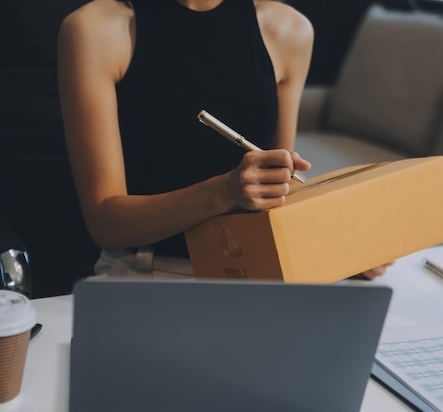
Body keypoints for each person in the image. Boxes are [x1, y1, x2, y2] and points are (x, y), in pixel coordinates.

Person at [58, 0, 392, 280]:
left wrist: (345, 249)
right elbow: (105, 223)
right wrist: (224, 192)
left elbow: (279, 195)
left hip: (257, 271)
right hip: (146, 271)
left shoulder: (289, 31)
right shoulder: (94, 30)